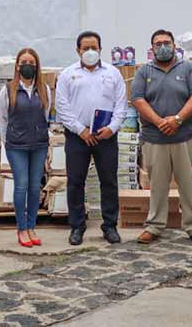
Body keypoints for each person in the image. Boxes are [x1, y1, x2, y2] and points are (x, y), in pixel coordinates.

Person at [132, 29, 192, 245]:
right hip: (154, 139)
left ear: (174, 46)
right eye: (158, 44)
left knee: (188, 184)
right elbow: (138, 99)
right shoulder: (143, 72)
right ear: (152, 48)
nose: (163, 47)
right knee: (157, 185)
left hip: (184, 137)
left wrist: (177, 119)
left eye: (167, 43)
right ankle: (154, 226)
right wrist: (159, 122)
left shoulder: (188, 68)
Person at [55, 31, 126, 246]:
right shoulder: (67, 74)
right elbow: (62, 106)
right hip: (78, 136)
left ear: (101, 49)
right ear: (78, 50)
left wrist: (112, 128)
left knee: (109, 181)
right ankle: (77, 226)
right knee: (76, 181)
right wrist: (80, 130)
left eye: (94, 47)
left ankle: (110, 225)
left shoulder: (113, 73)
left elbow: (121, 105)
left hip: (106, 135)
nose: (90, 51)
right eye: (85, 48)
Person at [0, 48, 51, 248]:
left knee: (35, 186)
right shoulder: (8, 90)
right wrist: (7, 142)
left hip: (39, 145)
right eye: (24, 62)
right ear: (17, 66)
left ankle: (31, 226)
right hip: (16, 146)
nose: (28, 66)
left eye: (31, 63)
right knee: (21, 185)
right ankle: (21, 228)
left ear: (37, 66)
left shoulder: (44, 89)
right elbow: (2, 119)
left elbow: (45, 115)